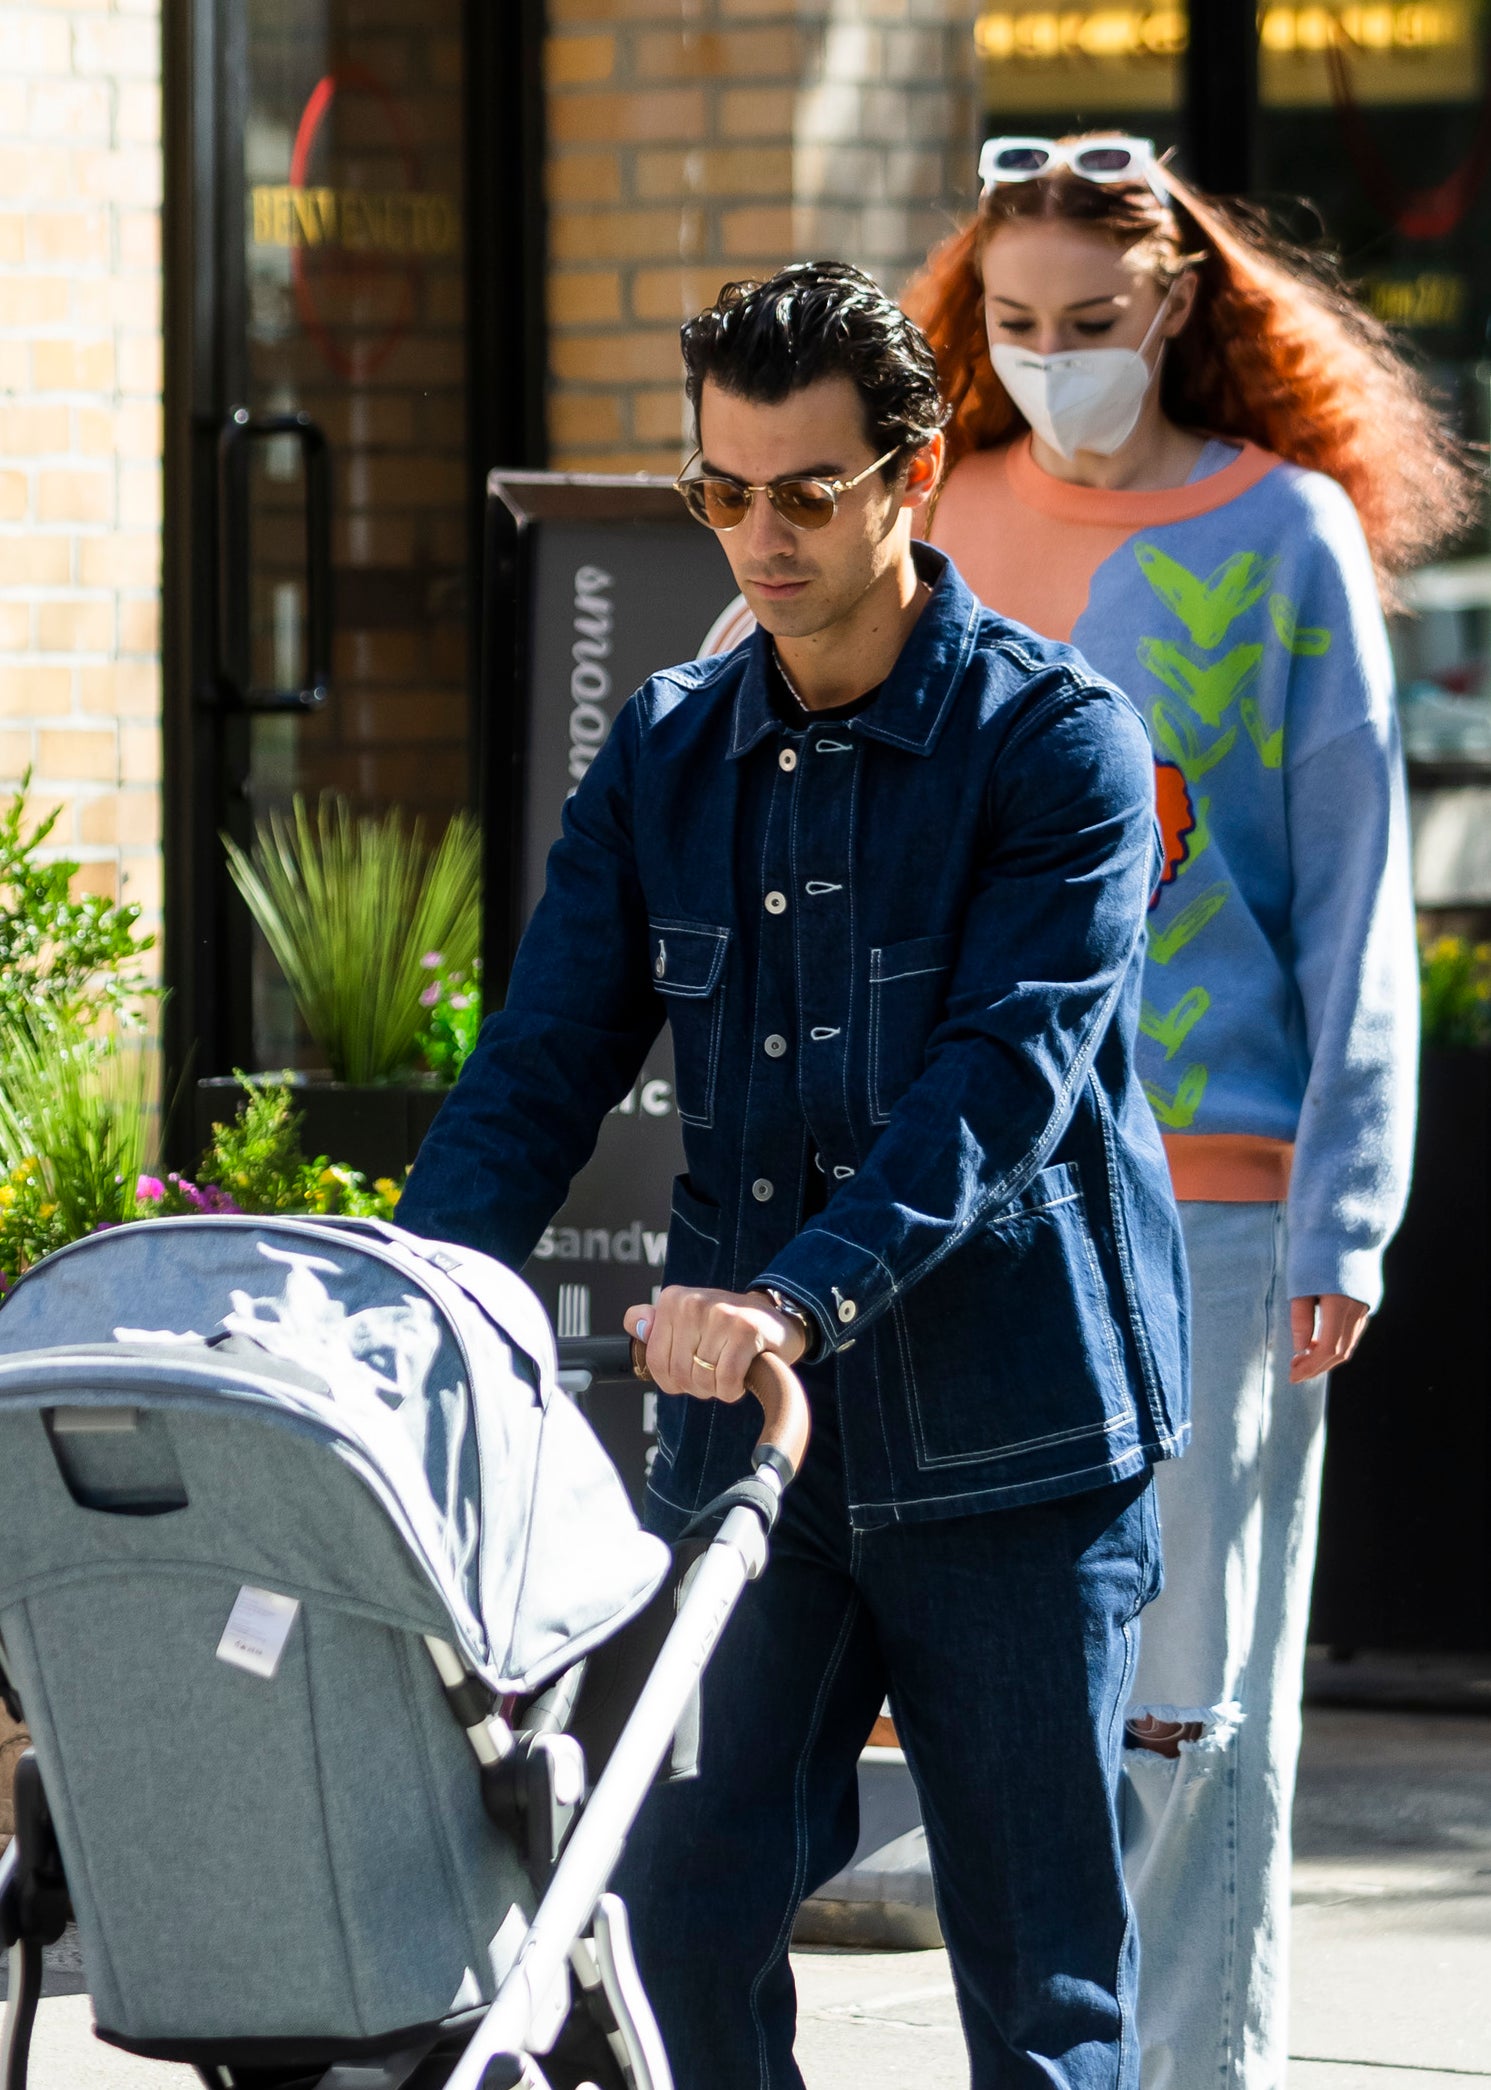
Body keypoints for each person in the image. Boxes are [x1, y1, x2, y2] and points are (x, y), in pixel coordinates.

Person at [398, 260, 1189, 2090]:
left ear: (913, 474)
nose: (758, 536)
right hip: (754, 1464)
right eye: (721, 492)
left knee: (1041, 1982)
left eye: (808, 493)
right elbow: (537, 1071)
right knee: (668, 1923)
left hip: (1014, 1450)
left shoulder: (1060, 745)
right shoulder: (669, 746)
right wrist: (409, 1298)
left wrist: (790, 1294)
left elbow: (998, 1089)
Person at [904, 134, 1472, 2090]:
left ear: (1169, 304)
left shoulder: (1283, 530)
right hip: (965, 1204)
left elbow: (1349, 893)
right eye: (1012, 328)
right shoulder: (937, 515)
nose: (1051, 357)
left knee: (1197, 1699)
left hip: (1220, 1213)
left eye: (1087, 321)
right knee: (1019, 1706)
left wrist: (1346, 1212)